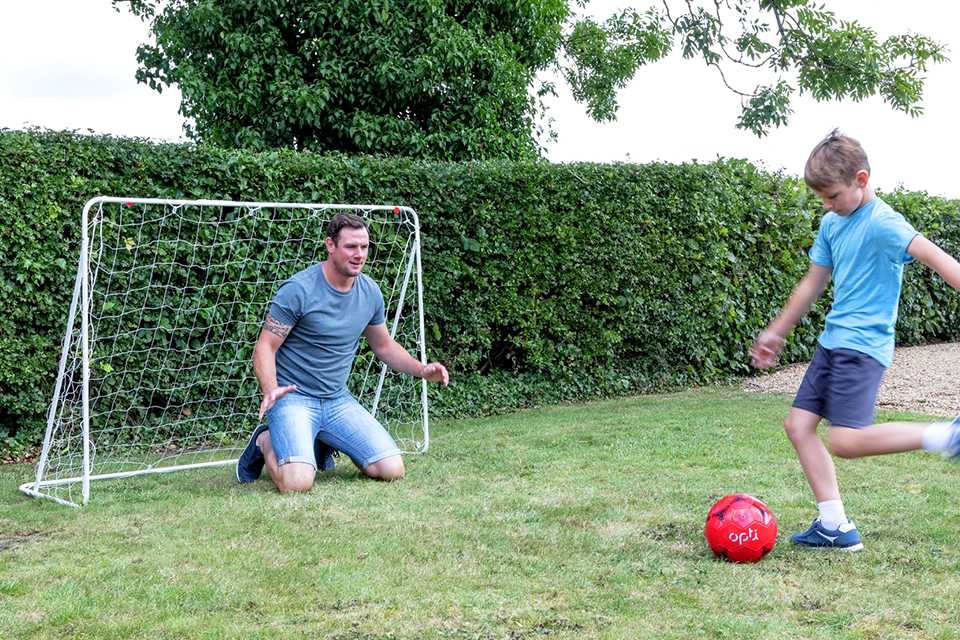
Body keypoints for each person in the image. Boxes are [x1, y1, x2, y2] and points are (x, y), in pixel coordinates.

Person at [750, 129, 960, 551]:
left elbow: (939, 259)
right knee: (798, 425)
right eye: (821, 198)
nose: (827, 205)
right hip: (833, 342)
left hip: (862, 348)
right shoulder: (832, 223)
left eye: (833, 195)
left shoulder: (885, 224)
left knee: (846, 441)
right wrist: (777, 330)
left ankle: (948, 435)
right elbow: (812, 283)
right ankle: (835, 526)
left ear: (861, 180)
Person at [236, 213, 449, 491]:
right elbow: (265, 346)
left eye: (364, 247)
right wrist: (271, 390)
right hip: (293, 399)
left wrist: (421, 369)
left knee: (391, 469)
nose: (359, 254)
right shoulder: (299, 290)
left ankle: (322, 439)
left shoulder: (370, 292)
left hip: (337, 401)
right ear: (330, 245)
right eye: (351, 246)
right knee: (297, 484)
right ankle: (264, 441)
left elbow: (383, 345)